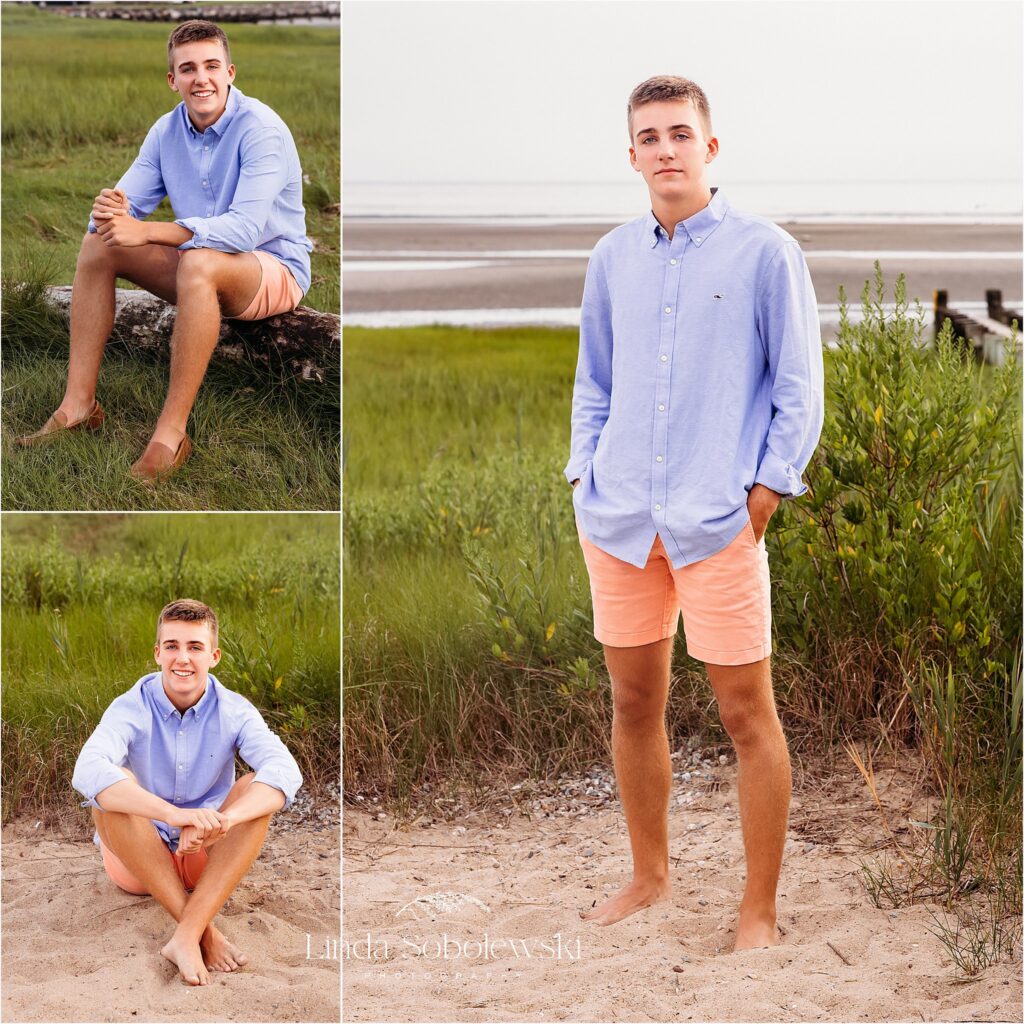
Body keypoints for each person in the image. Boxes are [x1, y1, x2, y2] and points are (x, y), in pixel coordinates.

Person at [565, 75, 824, 951]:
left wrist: (764, 493)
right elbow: (593, 381)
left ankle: (758, 910)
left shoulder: (765, 252)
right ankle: (650, 877)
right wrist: (581, 476)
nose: (665, 148)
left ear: (710, 148)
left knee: (749, 715)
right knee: (634, 702)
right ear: (631, 154)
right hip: (619, 519)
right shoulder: (611, 257)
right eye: (649, 136)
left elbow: (799, 389)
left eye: (680, 133)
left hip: (718, 522)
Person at [17, 19, 313, 483]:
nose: (202, 78)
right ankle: (79, 406)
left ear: (231, 72)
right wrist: (109, 209)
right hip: (201, 266)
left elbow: (241, 231)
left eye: (212, 66)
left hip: (271, 268)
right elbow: (121, 211)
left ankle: (170, 436)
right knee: (98, 245)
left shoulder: (262, 130)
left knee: (197, 261)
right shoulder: (165, 130)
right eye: (189, 68)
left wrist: (150, 230)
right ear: (172, 79)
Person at [71, 599, 303, 985]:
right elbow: (88, 769)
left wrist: (221, 820)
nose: (183, 658)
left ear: (214, 656)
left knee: (253, 792)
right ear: (157, 653)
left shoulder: (235, 710)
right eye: (173, 646)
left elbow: (285, 771)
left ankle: (184, 936)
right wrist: (173, 814)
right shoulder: (130, 706)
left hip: (203, 856)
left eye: (195, 647)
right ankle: (202, 933)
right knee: (110, 792)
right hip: (138, 863)